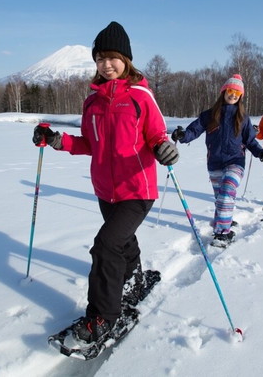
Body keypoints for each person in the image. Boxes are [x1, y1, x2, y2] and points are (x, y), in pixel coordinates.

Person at [32, 21, 179, 344]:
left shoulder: (140, 96)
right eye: (100, 59)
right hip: (105, 191)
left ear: (125, 59)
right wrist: (58, 141)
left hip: (136, 188)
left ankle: (102, 316)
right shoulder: (92, 102)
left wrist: (164, 148)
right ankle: (133, 277)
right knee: (121, 241)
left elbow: (156, 135)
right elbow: (89, 142)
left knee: (106, 246)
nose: (106, 64)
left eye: (112, 57)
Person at [171, 74, 263, 246]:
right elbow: (193, 131)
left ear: (240, 96)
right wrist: (182, 135)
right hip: (215, 162)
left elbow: (250, 141)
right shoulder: (209, 115)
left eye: (237, 93)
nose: (233, 95)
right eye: (230, 91)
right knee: (221, 197)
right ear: (224, 92)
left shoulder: (243, 118)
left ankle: (222, 234)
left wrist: (261, 152)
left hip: (235, 161)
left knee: (226, 193)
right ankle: (225, 219)